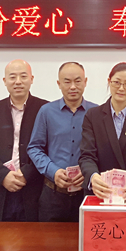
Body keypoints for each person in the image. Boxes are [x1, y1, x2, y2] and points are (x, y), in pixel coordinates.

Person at [0, 59, 48, 221]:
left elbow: (49, 148)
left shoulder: (44, 109)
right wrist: (3, 175)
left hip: (33, 187)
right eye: (12, 77)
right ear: (5, 81)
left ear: (31, 79)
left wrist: (27, 173)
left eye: (23, 76)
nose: (18, 81)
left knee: (33, 236)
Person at [27, 62, 97, 222]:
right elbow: (34, 148)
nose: (73, 86)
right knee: (49, 238)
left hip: (86, 194)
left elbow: (103, 150)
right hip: (53, 195)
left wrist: (88, 171)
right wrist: (53, 171)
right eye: (67, 81)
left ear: (85, 82)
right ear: (59, 84)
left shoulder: (96, 113)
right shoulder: (46, 111)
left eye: (77, 81)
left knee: (86, 238)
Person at [79, 62, 126, 201]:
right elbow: (86, 155)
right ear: (109, 82)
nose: (121, 88)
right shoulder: (93, 115)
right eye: (116, 82)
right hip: (101, 192)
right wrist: (93, 177)